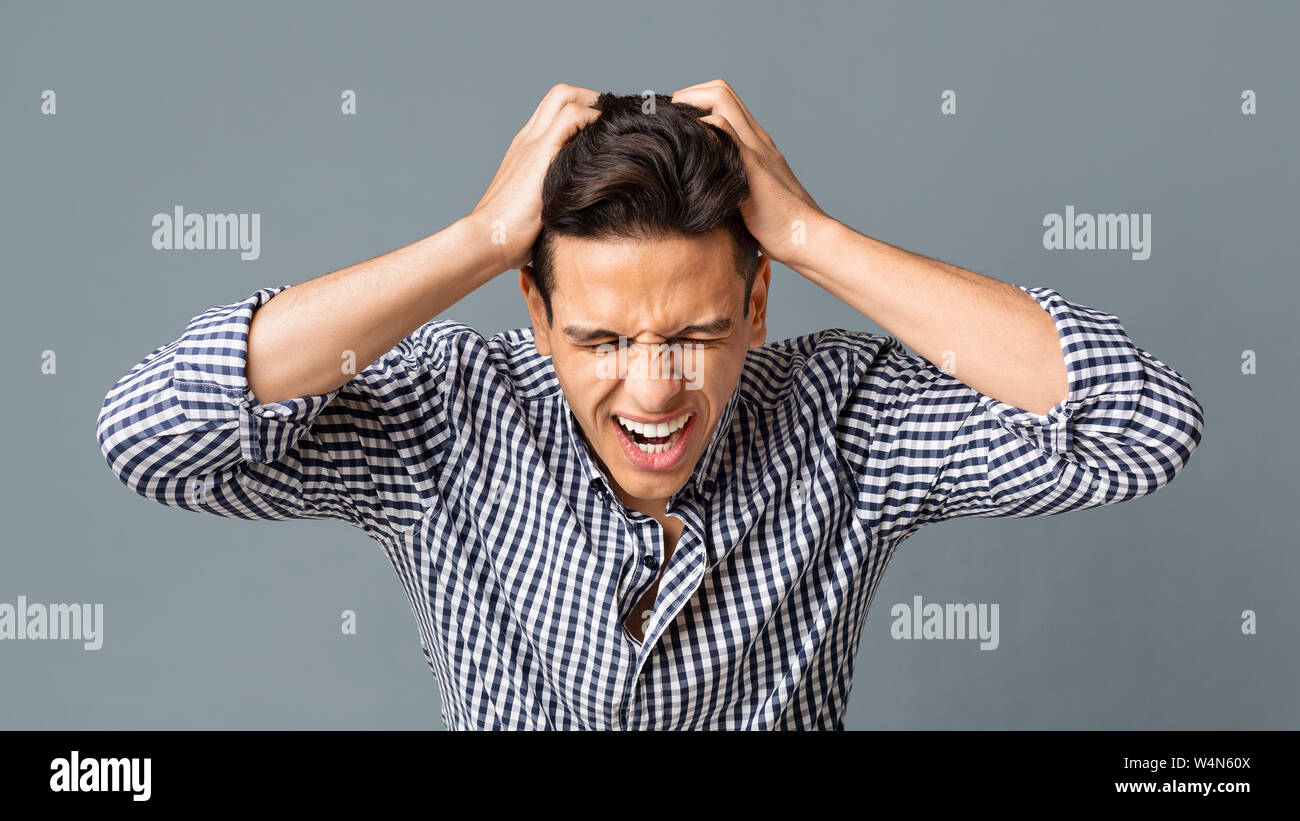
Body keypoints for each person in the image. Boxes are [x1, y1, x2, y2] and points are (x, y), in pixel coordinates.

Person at [96, 80, 1204, 730]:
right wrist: (477, 241)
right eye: (603, 338)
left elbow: (1136, 426)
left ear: (757, 301)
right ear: (534, 312)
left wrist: (811, 233)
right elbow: (153, 437)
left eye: (693, 334)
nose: (653, 386)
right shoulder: (448, 415)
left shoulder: (844, 421)